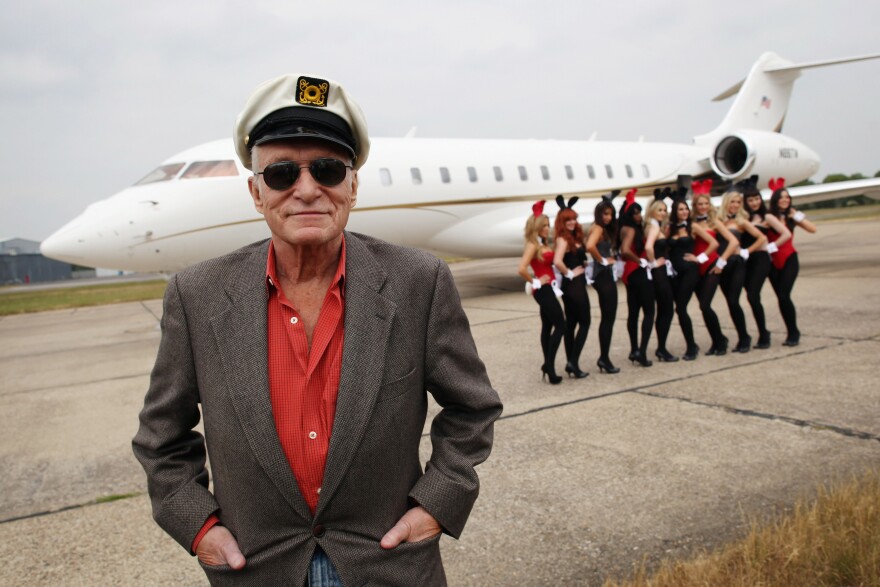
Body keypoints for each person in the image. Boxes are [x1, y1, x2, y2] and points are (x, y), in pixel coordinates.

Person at [132, 73, 503, 587]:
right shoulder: (197, 296)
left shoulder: (419, 282)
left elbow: (473, 407)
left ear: (352, 185)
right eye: (281, 174)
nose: (306, 190)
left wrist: (438, 503)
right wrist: (198, 527)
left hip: (390, 565)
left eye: (328, 169)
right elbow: (161, 439)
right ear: (256, 192)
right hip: (256, 569)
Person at [518, 201, 566, 384]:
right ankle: (549, 365)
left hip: (549, 289)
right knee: (561, 324)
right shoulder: (533, 245)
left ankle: (548, 365)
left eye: (548, 225)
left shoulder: (541, 243)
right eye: (544, 225)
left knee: (547, 327)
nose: (548, 228)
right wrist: (536, 281)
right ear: (536, 227)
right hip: (542, 290)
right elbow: (521, 268)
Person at [768, 177, 817, 346]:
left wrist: (796, 215)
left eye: (787, 197)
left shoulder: (792, 216)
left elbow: (813, 229)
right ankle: (791, 330)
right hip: (772, 262)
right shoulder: (769, 217)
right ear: (775, 200)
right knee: (781, 298)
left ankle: (793, 332)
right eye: (781, 197)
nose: (784, 200)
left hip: (789, 258)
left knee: (784, 294)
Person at [668, 195, 718, 360]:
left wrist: (700, 258)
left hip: (691, 271)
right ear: (674, 212)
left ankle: (691, 346)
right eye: (680, 209)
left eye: (686, 209)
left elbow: (713, 243)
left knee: (681, 308)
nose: (684, 212)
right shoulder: (669, 229)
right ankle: (695, 343)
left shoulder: (693, 227)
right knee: (680, 309)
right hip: (675, 274)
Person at [718, 186, 767, 352]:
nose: (736, 205)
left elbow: (762, 238)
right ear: (726, 202)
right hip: (722, 265)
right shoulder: (717, 219)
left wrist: (746, 251)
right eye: (732, 201)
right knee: (730, 303)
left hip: (737, 264)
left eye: (738, 202)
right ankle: (742, 336)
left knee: (734, 300)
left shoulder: (741, 221)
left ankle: (745, 337)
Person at [692, 183, 738, 356]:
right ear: (695, 207)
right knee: (703, 307)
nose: (703, 207)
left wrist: (721, 262)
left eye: (706, 204)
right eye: (699, 204)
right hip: (697, 267)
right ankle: (717, 340)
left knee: (705, 304)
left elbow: (733, 242)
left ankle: (720, 340)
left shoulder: (714, 222)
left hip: (712, 265)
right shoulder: (690, 223)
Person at [743, 181, 791, 348]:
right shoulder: (744, 218)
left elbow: (786, 234)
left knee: (753, 295)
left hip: (762, 259)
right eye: (750, 200)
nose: (754, 203)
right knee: (753, 298)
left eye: (757, 199)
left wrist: (771, 247)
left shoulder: (768, 217)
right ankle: (763, 332)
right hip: (747, 260)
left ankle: (765, 334)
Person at [553, 196, 591, 378]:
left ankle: (572, 363)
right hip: (573, 286)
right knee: (585, 322)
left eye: (574, 219)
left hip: (575, 285)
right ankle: (573, 361)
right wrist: (569, 272)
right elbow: (557, 261)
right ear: (561, 222)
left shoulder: (574, 238)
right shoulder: (562, 240)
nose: (572, 222)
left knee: (573, 324)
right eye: (567, 220)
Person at [618, 189, 654, 367]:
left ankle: (634, 350)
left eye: (639, 212)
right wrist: (640, 260)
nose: (639, 216)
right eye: (635, 213)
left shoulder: (624, 228)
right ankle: (642, 351)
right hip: (637, 271)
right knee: (649, 311)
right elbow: (625, 250)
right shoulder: (631, 229)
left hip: (629, 274)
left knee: (633, 312)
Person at [585, 194, 620, 374]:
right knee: (608, 318)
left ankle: (604, 357)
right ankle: (604, 358)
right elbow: (590, 246)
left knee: (609, 318)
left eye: (611, 214)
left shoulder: (599, 227)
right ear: (599, 214)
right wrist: (603, 260)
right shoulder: (598, 228)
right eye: (605, 214)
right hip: (603, 276)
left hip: (604, 276)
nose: (608, 217)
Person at [644, 190, 678, 362]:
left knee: (665, 310)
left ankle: (662, 347)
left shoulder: (654, 225)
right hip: (659, 272)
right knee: (666, 310)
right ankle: (661, 348)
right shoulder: (654, 227)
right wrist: (654, 263)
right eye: (660, 210)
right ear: (652, 211)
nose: (663, 213)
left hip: (660, 272)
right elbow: (649, 247)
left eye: (665, 210)